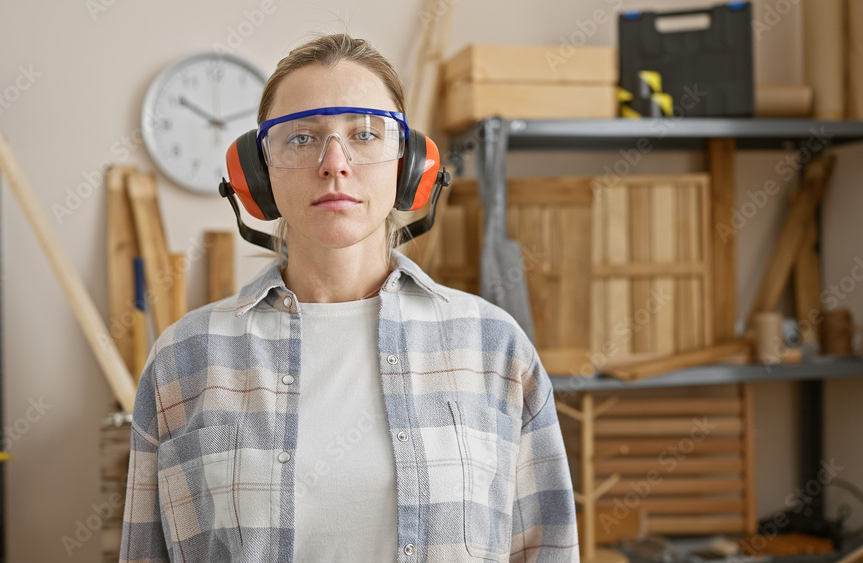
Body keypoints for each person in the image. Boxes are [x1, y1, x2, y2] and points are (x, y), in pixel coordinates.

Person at [119, 33, 579, 563]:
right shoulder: (185, 358)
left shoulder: (494, 346)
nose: (334, 163)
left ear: (411, 166)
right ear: (257, 172)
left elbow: (547, 550)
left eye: (364, 134)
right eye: (300, 138)